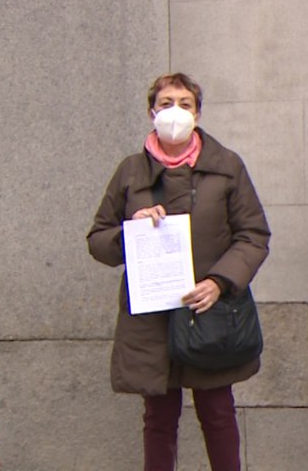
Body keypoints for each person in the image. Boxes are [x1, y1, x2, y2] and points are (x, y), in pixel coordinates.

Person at [87, 73, 271, 471]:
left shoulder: (226, 166)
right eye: (166, 102)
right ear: (152, 112)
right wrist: (129, 231)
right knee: (158, 419)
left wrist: (219, 283)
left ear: (198, 112)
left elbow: (253, 234)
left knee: (218, 412)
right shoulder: (130, 171)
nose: (175, 111)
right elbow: (98, 239)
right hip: (151, 315)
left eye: (185, 104)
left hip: (209, 311)